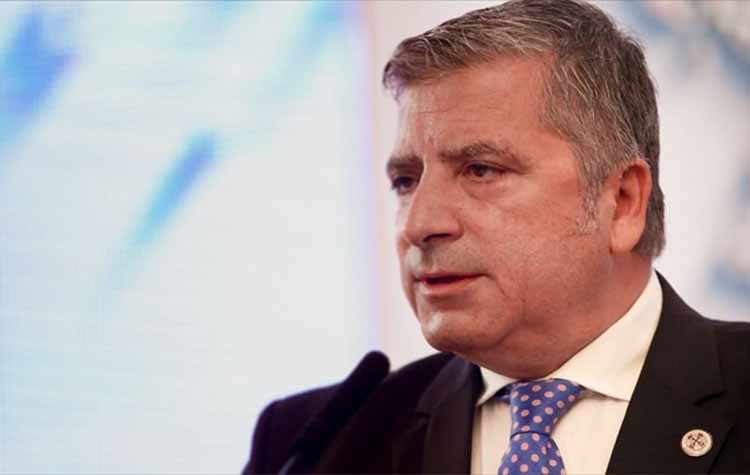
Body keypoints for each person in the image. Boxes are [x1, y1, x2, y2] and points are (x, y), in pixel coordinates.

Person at [244, 0, 750, 473]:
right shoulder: (313, 444)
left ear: (621, 201)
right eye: (405, 181)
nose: (420, 225)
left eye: (481, 170)